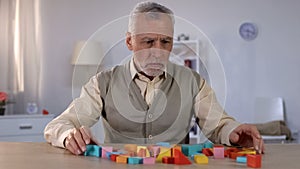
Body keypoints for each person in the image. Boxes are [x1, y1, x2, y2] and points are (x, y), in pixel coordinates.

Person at [44, 1, 264, 155]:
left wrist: (233, 132)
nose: (158, 50)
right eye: (148, 41)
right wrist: (68, 135)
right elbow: (59, 125)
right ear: (130, 42)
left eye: (165, 42)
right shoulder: (102, 83)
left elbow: (218, 126)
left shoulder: (192, 82)